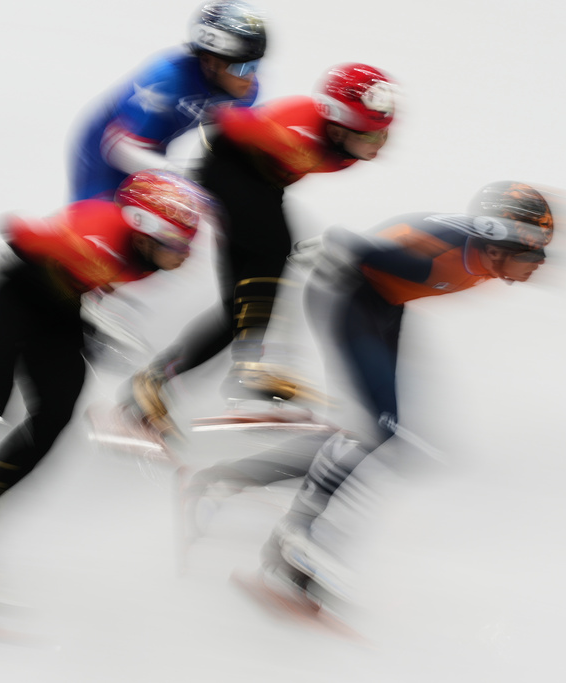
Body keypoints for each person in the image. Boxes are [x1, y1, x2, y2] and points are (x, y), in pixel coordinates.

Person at [183, 181, 557, 609]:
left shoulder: (480, 256)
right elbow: (355, 246)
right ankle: (291, 540)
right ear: (496, 245)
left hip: (383, 304)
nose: (540, 265)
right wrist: (334, 245)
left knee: (376, 434)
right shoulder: (441, 255)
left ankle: (230, 480)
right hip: (349, 297)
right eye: (533, 254)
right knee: (375, 433)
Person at [0, 170, 215, 586]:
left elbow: (80, 280)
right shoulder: (97, 232)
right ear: (146, 232)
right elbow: (17, 235)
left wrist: (88, 328)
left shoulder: (144, 259)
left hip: (58, 309)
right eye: (179, 244)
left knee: (55, 416)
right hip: (12, 297)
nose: (186, 257)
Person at [126, 62, 398, 434]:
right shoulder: (296, 131)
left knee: (238, 310)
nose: (380, 144)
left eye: (384, 133)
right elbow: (222, 124)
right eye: (371, 135)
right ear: (337, 127)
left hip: (262, 183)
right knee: (276, 248)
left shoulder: (340, 145)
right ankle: (250, 369)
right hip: (229, 171)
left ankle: (153, 382)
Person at [69, 1, 267, 201]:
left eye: (255, 65)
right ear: (209, 61)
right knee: (102, 215)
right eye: (241, 67)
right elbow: (116, 149)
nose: (250, 77)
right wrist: (180, 175)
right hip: (107, 151)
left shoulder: (245, 92)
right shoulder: (167, 78)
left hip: (152, 151)